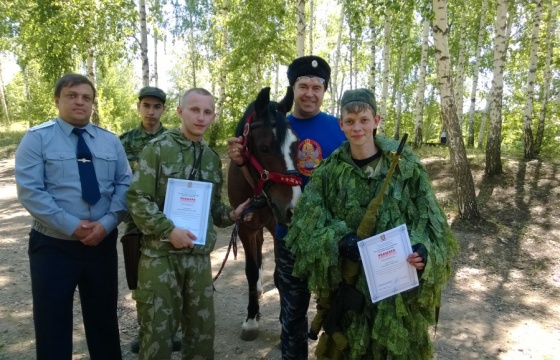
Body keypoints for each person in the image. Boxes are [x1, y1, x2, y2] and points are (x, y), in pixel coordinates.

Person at [284, 88, 458, 359]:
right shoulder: (328, 172)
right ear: (340, 124)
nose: (357, 128)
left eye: (364, 120)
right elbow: (304, 228)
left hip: (397, 296)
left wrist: (422, 250)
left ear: (376, 120)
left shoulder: (404, 164)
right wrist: (339, 240)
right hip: (349, 292)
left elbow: (433, 223)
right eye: (350, 121)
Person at [227, 55, 347, 359]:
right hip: (289, 234)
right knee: (292, 313)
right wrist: (240, 161)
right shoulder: (274, 125)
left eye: (316, 87)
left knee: (338, 310)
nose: (309, 92)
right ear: (292, 88)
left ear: (324, 91)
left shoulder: (342, 129)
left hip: (332, 237)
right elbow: (257, 171)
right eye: (302, 85)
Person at [126, 87, 252, 359]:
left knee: (201, 336)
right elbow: (137, 198)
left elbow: (213, 209)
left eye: (207, 112)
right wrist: (169, 230)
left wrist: (231, 214)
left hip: (197, 260)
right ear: (180, 112)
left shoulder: (209, 158)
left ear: (213, 116)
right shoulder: (158, 149)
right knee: (157, 337)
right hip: (161, 258)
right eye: (194, 110)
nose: (201, 117)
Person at [15, 73, 131, 360]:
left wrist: (106, 224)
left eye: (86, 97)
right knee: (52, 321)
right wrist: (72, 226)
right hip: (54, 246)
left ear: (92, 103)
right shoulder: (36, 139)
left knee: (103, 318)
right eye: (72, 95)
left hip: (101, 244)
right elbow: (31, 191)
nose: (80, 101)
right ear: (57, 100)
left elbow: (125, 186)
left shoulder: (110, 142)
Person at [119, 87, 182, 353]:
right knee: (141, 282)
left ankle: (171, 331)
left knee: (173, 278)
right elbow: (119, 182)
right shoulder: (124, 142)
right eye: (146, 106)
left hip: (168, 222)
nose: (151, 112)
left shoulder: (174, 140)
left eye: (157, 107)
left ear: (163, 110)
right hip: (136, 223)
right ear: (138, 107)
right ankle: (145, 330)